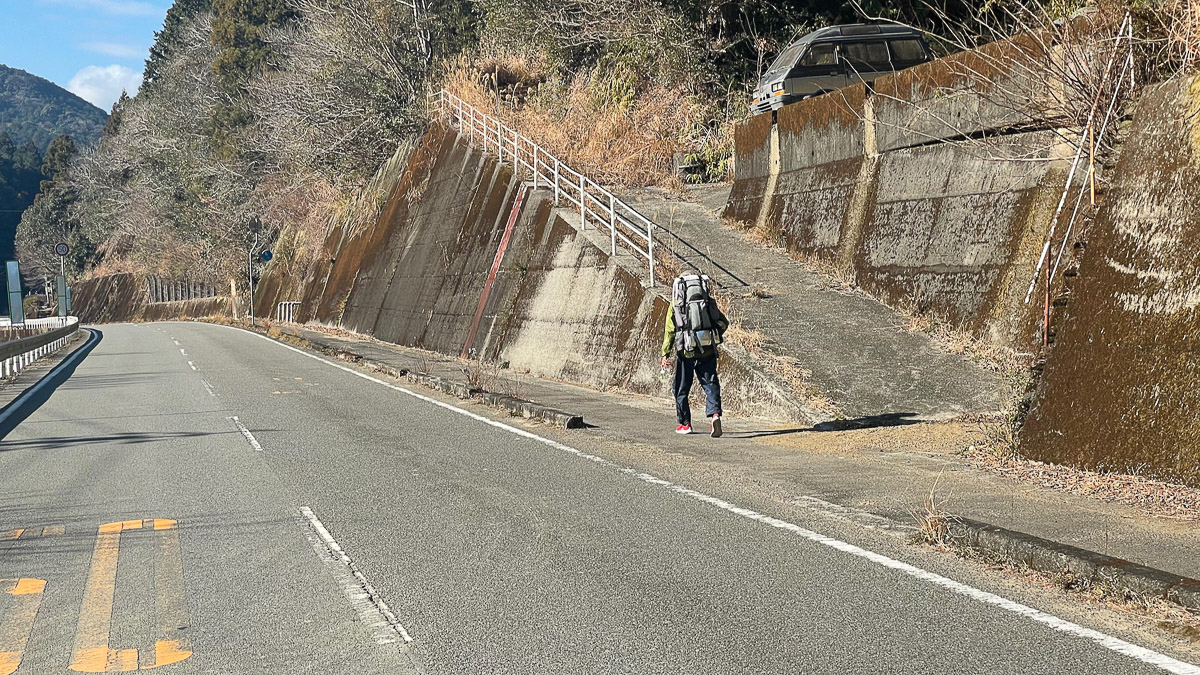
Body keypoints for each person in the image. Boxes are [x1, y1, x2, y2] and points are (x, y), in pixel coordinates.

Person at [661, 273, 729, 437]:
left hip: (686, 350)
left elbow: (670, 331)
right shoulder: (707, 302)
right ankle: (715, 415)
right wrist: (712, 334)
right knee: (710, 384)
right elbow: (723, 322)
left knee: (681, 387)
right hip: (707, 349)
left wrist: (665, 353)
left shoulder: (676, 304)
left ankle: (686, 424)